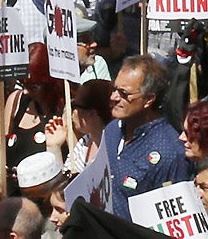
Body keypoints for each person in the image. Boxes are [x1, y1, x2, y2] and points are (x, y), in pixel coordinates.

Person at [64, 56, 188, 215]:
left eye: (124, 93)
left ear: (149, 99)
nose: (113, 97)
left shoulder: (169, 153)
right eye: (114, 89)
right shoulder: (111, 131)